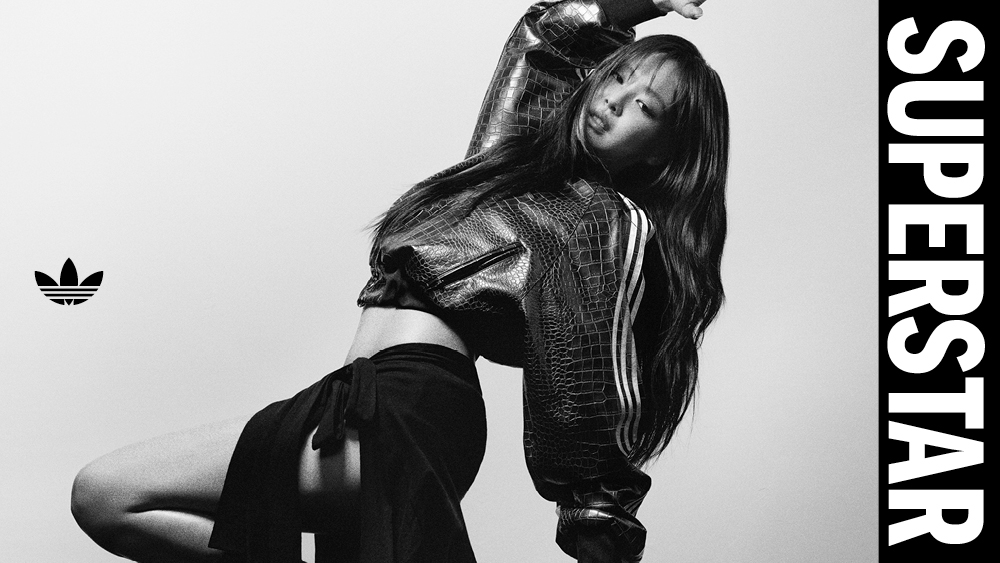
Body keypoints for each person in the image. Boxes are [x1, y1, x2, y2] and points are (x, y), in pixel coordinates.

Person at [70, 0, 728, 562]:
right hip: (358, 396)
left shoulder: (602, 221)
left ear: (662, 153)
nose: (613, 99)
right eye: (617, 76)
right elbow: (545, 46)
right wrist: (632, 4)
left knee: (108, 493)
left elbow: (585, 370)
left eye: (644, 105)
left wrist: (599, 513)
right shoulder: (509, 174)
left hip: (410, 409)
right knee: (112, 501)